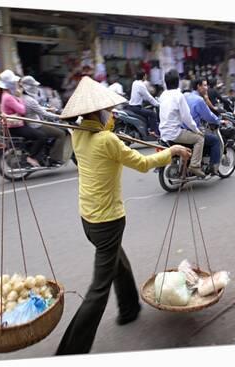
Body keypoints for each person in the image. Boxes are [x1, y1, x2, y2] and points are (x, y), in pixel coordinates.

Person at [55, 76, 191, 355]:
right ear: (97, 113)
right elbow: (143, 163)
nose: (113, 114)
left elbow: (78, 127)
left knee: (118, 260)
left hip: (88, 220)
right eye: (109, 111)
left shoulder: (78, 134)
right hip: (107, 220)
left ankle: (129, 308)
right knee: (98, 288)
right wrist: (172, 151)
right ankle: (70, 351)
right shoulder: (108, 141)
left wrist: (108, 129)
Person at [159, 69, 206, 178]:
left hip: (163, 133)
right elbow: (187, 118)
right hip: (175, 133)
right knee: (200, 139)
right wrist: (197, 131)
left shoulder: (163, 95)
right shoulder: (179, 96)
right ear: (178, 82)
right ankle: (195, 165)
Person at [0, 70, 43, 168]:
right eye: (14, 83)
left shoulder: (4, 96)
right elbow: (22, 110)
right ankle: (31, 157)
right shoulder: (8, 97)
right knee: (41, 136)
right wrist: (20, 97)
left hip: (14, 125)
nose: (16, 85)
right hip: (15, 127)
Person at [21, 75, 67, 166]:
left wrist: (50, 109)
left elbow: (38, 107)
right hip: (35, 124)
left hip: (31, 123)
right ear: (28, 87)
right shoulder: (30, 100)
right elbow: (42, 113)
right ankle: (55, 159)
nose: (36, 88)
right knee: (61, 134)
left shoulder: (23, 97)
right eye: (33, 86)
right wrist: (59, 117)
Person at [185, 79, 225, 175]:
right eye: (205, 85)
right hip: (192, 130)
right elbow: (208, 116)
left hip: (182, 130)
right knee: (215, 140)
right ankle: (213, 167)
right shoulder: (199, 100)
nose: (206, 88)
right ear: (198, 86)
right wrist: (219, 121)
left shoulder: (186, 96)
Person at [128, 70, 160, 136]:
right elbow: (149, 97)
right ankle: (153, 132)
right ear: (144, 76)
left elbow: (143, 96)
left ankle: (147, 129)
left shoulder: (135, 83)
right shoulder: (141, 85)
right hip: (136, 107)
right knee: (152, 114)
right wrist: (157, 104)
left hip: (131, 106)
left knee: (147, 112)